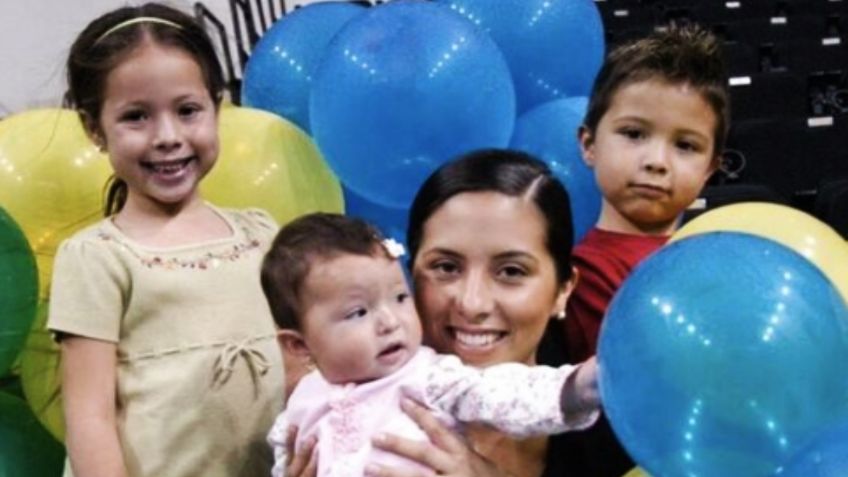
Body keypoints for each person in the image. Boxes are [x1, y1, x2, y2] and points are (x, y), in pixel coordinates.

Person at [47, 4, 283, 476]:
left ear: (217, 106)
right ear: (95, 129)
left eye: (188, 110)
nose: (168, 136)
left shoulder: (261, 234)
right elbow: (89, 417)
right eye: (137, 117)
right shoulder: (99, 258)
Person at [295, 148, 583, 477]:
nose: (472, 304)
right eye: (446, 267)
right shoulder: (329, 411)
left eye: (511, 271)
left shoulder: (613, 437)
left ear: (563, 290)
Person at [561, 24, 730, 476]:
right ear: (589, 143)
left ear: (711, 167)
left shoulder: (724, 255)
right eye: (634, 134)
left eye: (686, 145)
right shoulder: (584, 273)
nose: (657, 160)